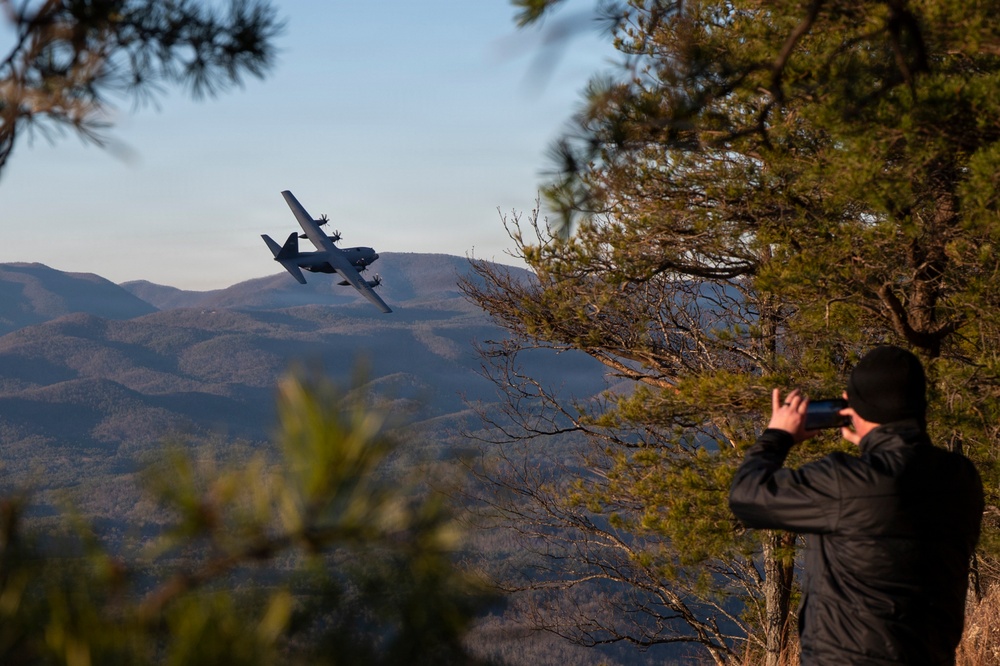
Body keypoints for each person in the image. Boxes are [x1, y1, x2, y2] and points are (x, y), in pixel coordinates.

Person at [729, 345, 984, 665]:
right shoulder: (962, 479)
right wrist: (872, 445)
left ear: (854, 408)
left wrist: (777, 436)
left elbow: (746, 495)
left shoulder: (845, 482)